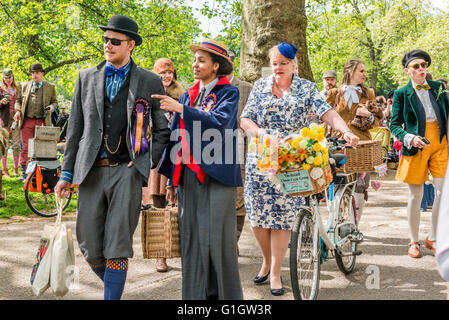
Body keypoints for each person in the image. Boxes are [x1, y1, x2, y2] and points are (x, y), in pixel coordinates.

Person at [54, 15, 170, 300]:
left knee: (118, 244)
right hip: (91, 171)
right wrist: (66, 174)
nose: (108, 45)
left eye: (115, 41)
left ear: (130, 45)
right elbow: (75, 131)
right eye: (105, 39)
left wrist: (144, 160)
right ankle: (113, 287)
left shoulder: (149, 80)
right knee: (89, 244)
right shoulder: (85, 77)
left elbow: (163, 129)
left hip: (126, 172)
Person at [240, 42, 359, 296]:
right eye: (275, 63)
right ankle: (266, 260)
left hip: (293, 158)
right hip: (261, 158)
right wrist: (260, 133)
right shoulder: (261, 86)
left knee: (283, 218)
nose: (278, 67)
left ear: (294, 64)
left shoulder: (306, 87)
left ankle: (274, 273)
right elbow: (245, 118)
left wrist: (346, 130)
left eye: (284, 63)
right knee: (258, 218)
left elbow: (326, 112)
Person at [156, 39, 244, 300]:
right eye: (194, 59)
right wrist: (172, 177)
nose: (195, 64)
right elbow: (177, 134)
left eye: (202, 60)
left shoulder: (228, 92)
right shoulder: (189, 93)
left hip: (218, 175)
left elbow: (219, 123)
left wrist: (182, 108)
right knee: (192, 241)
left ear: (216, 66)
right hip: (189, 176)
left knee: (218, 242)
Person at [390, 49, 449, 258]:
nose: (422, 69)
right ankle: (413, 241)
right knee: (416, 195)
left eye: (424, 65)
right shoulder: (400, 94)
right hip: (416, 145)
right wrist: (410, 138)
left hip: (440, 144)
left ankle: (432, 237)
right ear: (408, 71)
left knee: (443, 194)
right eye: (417, 66)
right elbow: (394, 125)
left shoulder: (438, 87)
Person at [326, 59, 383, 224]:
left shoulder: (368, 93)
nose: (365, 74)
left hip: (362, 144)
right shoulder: (334, 93)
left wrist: (369, 115)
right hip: (338, 143)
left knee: (359, 186)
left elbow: (376, 122)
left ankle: (354, 224)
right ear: (350, 72)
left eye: (365, 71)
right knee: (336, 183)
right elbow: (325, 117)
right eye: (361, 71)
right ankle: (336, 222)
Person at [143, 57, 184, 273]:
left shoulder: (182, 96)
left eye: (169, 73)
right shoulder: (149, 96)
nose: (166, 76)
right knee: (158, 207)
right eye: (162, 73)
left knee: (182, 207)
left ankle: (187, 253)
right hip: (158, 153)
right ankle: (161, 255)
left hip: (178, 153)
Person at [226, 51, 253, 254]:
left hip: (239, 151)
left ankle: (232, 241)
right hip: (212, 151)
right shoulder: (206, 88)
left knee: (238, 201)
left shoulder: (246, 88)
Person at [14, 63, 58, 181]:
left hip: (42, 121)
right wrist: (17, 111)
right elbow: (18, 101)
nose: (34, 75)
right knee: (26, 147)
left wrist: (51, 108)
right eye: (33, 73)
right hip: (27, 120)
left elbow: (55, 102)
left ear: (42, 73)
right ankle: (24, 172)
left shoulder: (50, 87)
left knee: (40, 147)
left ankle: (39, 171)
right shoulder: (23, 85)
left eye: (37, 73)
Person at [0, 69, 20, 177]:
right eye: (6, 78)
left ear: (13, 77)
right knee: (5, 145)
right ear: (3, 78)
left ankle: (15, 169)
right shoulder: (0, 89)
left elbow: (21, 102)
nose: (8, 80)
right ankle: (4, 169)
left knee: (16, 144)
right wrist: (1, 102)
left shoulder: (18, 88)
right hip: (4, 119)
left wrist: (19, 112)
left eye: (10, 77)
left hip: (16, 119)